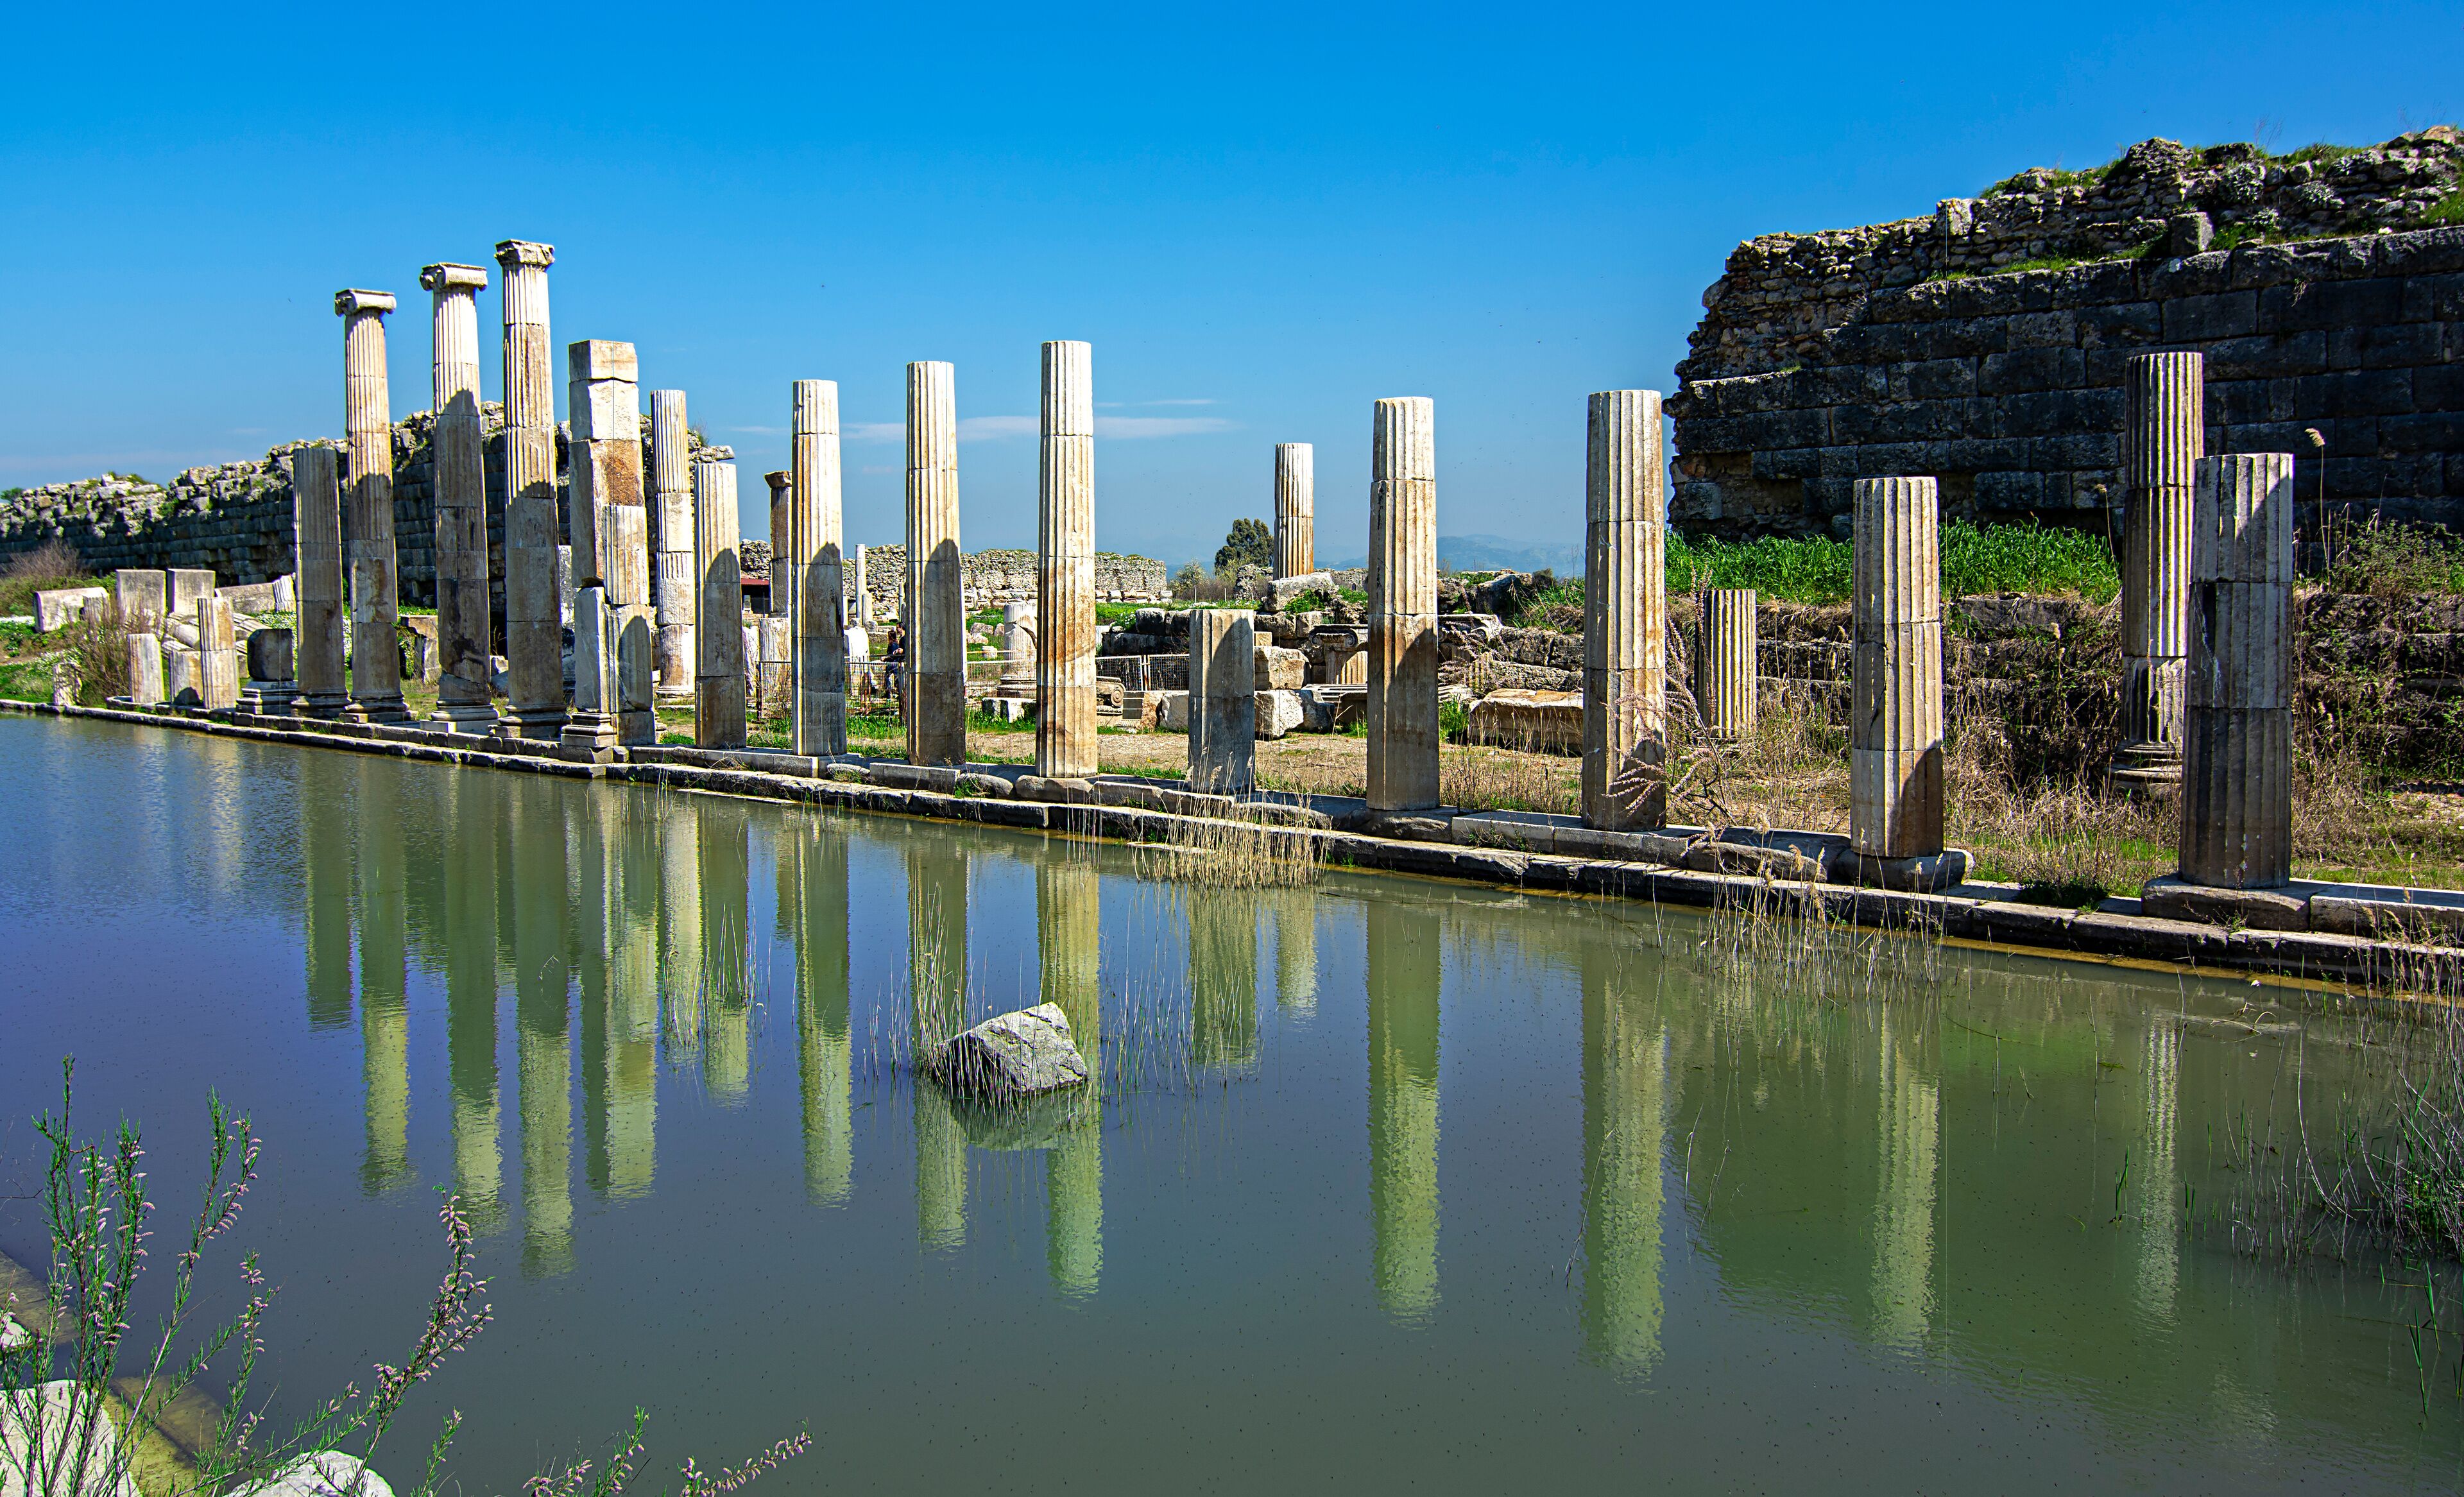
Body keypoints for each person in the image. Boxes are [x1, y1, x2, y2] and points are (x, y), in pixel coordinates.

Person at [882, 622, 907, 704]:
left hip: (899, 662)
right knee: (897, 679)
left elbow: (906, 649)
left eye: (898, 628)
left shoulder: (904, 639)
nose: (897, 630)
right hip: (899, 661)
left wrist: (901, 651)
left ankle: (895, 693)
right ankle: (897, 694)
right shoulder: (901, 638)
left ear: (902, 628)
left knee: (896, 679)